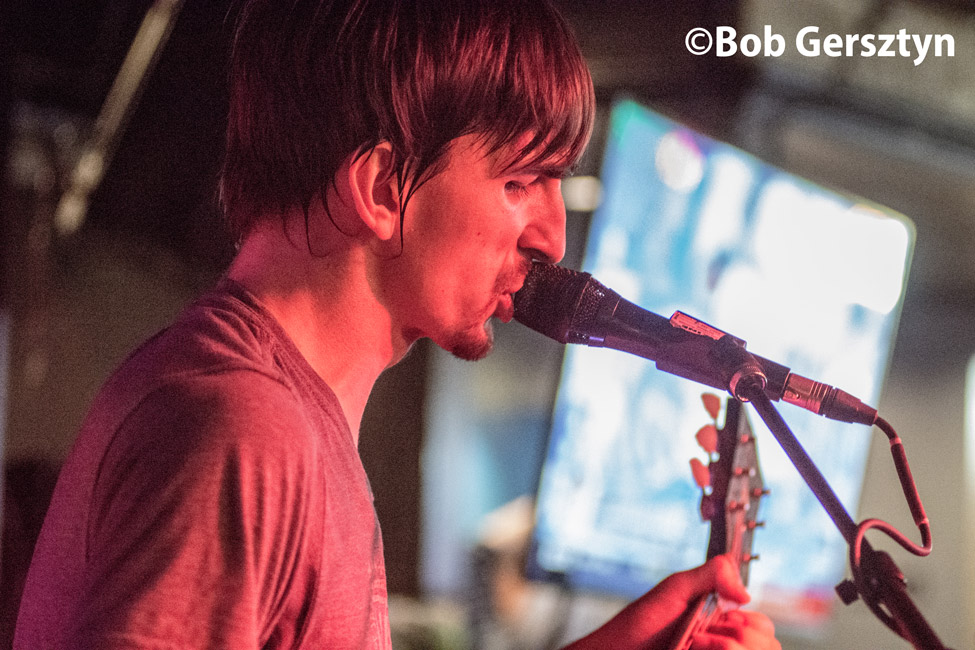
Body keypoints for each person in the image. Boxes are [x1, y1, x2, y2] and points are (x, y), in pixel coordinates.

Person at [15, 1, 781, 648]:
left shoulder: (287, 423)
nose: (551, 237)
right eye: (519, 181)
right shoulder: (246, 428)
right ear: (383, 187)